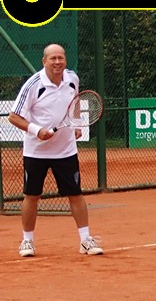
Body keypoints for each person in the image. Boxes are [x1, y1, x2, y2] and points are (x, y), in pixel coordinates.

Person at [8, 43, 103, 258]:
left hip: (65, 151)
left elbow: (75, 101)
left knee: (75, 195)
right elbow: (14, 116)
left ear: (65, 60)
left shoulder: (72, 79)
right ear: (44, 61)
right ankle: (27, 241)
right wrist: (37, 130)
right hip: (36, 152)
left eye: (61, 58)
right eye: (53, 58)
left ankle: (85, 240)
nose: (57, 62)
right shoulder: (33, 85)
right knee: (32, 196)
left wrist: (76, 124)